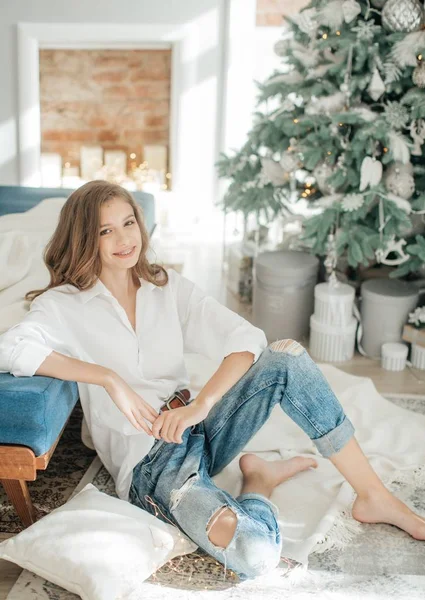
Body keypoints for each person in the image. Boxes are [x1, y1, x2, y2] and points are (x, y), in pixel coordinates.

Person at [0, 180, 424, 581]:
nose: (123, 238)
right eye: (105, 231)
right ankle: (259, 480)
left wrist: (201, 404)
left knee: (287, 357)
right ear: (84, 240)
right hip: (153, 464)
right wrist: (108, 378)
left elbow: (247, 339)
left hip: (197, 425)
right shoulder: (65, 304)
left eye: (128, 222)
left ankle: (373, 495)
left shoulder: (164, 285)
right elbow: (10, 348)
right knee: (253, 554)